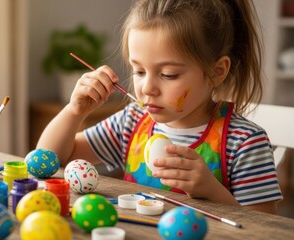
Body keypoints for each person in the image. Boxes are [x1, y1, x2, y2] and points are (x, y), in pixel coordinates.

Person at [37, 0, 282, 214]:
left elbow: (265, 229)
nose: (147, 88)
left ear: (217, 72)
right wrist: (74, 112)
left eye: (168, 74)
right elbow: (47, 160)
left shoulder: (244, 143)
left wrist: (212, 191)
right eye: (139, 71)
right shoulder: (132, 121)